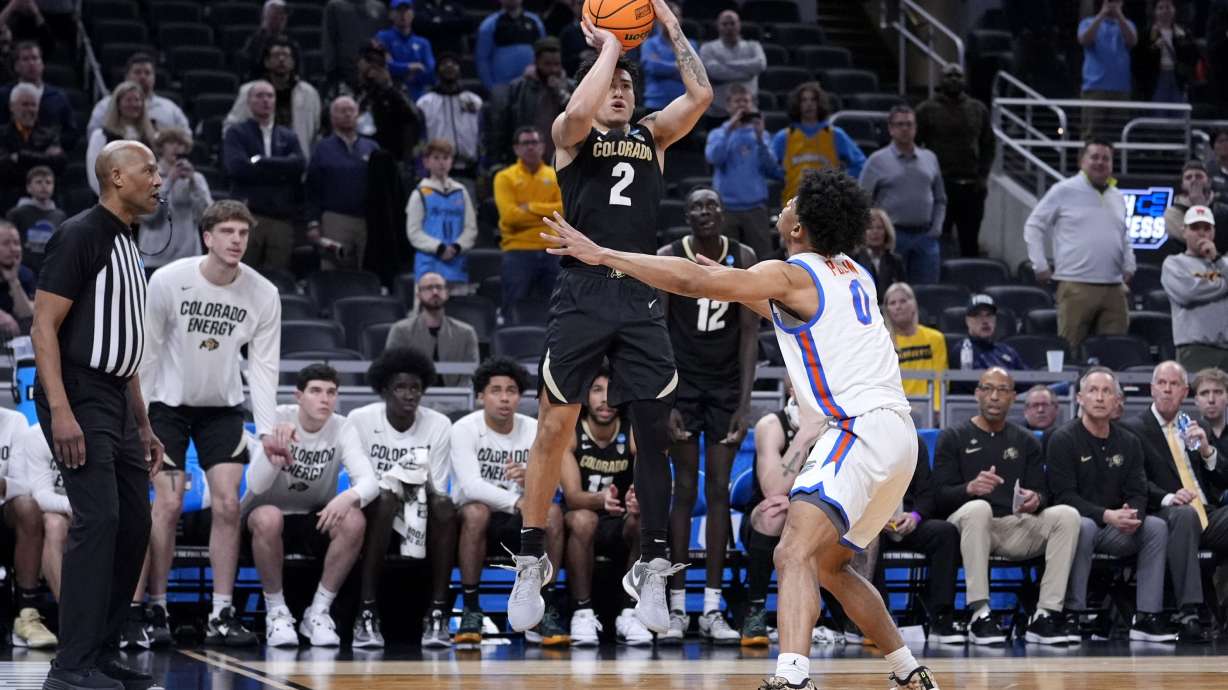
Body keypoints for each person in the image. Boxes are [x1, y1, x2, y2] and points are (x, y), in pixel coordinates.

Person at [540, 168, 941, 689]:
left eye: (792, 202)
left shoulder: (793, 272)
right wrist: (735, 287)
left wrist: (605, 255)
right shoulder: (854, 272)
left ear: (800, 228)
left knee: (791, 551)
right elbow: (787, 313)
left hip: (856, 428)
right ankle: (908, 673)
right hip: (898, 437)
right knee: (831, 567)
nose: (784, 205)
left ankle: (793, 680)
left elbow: (691, 282)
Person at [506, 0, 713, 638]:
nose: (619, 91)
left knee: (655, 431)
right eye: (611, 85)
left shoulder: (653, 136)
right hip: (583, 291)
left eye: (627, 85)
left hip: (641, 288)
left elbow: (700, 93)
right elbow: (574, 111)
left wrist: (672, 27)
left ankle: (652, 562)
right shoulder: (574, 138)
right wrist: (609, 51)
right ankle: (531, 552)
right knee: (553, 426)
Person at [31, 139, 163, 690]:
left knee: (135, 524)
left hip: (116, 397)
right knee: (99, 520)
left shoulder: (129, 241)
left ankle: (101, 651)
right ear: (115, 175)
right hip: (78, 393)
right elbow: (43, 328)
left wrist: (144, 421)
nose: (159, 180)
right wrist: (61, 410)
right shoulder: (81, 233)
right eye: (148, 170)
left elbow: (126, 343)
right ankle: (69, 666)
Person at [138, 199, 285, 648]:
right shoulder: (167, 280)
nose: (237, 241)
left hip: (222, 408)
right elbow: (147, 352)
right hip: (167, 406)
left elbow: (263, 367)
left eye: (243, 233)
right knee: (167, 503)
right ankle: (155, 608)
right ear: (208, 237)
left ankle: (222, 612)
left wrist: (266, 429)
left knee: (226, 505)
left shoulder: (263, 293)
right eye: (228, 232)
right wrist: (140, 418)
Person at [658, 186, 758, 643]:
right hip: (682, 386)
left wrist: (743, 402)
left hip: (724, 389)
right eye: (695, 205)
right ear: (686, 216)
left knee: (718, 490)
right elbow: (658, 330)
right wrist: (667, 399)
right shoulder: (668, 255)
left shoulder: (745, 255)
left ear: (723, 214)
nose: (704, 212)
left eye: (712, 205)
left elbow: (750, 333)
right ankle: (677, 605)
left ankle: (714, 606)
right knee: (683, 491)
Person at [933, 367, 1080, 645]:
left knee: (1067, 515)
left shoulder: (1026, 441)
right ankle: (980, 613)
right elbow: (938, 496)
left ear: (1013, 397)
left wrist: (1036, 500)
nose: (994, 396)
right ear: (977, 394)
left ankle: (1045, 614)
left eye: (1002, 390)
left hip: (1014, 525)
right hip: (967, 526)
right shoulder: (953, 437)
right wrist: (969, 488)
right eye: (988, 388)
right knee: (979, 508)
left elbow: (1043, 492)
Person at [242, 364, 378, 647]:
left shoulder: (342, 426)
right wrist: (273, 455)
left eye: (331, 392)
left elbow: (369, 483)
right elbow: (255, 485)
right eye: (316, 391)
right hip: (261, 518)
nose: (324, 399)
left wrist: (346, 497)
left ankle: (317, 612)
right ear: (298, 396)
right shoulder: (277, 418)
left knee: (354, 520)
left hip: (310, 516)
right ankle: (277, 613)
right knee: (269, 517)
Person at [1047, 367, 1177, 643]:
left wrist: (1132, 515)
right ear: (1080, 398)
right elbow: (1063, 496)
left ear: (1117, 401)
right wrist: (1107, 515)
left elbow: (1139, 490)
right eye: (1093, 391)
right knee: (1079, 525)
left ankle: (1146, 616)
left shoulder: (1129, 442)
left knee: (1154, 526)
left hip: (1117, 529)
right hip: (1081, 526)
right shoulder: (1063, 439)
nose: (1100, 397)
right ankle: (1072, 613)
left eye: (1107, 392)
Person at [448, 358, 568, 646]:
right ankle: (471, 608)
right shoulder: (464, 428)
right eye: (495, 390)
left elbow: (559, 486)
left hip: (523, 524)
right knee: (476, 512)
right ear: (480, 396)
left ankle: (543, 609)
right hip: (476, 523)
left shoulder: (533, 429)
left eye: (511, 390)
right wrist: (517, 500)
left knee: (551, 512)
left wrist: (531, 479)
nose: (504, 398)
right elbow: (470, 486)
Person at [344, 347, 454, 648]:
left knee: (445, 506)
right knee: (385, 496)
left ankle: (437, 613)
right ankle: (366, 612)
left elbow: (439, 487)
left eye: (416, 388)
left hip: (419, 511)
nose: (409, 395)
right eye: (401, 387)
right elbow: (361, 482)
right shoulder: (360, 419)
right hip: (374, 509)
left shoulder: (439, 424)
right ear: (384, 391)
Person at [1122, 361, 1228, 641]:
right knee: (1183, 514)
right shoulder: (1133, 429)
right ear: (1152, 389)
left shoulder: (1195, 424)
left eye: (1174, 385)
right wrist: (1169, 496)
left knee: (1197, 513)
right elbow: (1136, 481)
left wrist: (1207, 451)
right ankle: (1189, 612)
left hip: (1207, 512)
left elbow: (1222, 481)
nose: (1167, 389)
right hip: (1164, 511)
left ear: (1184, 392)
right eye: (1162, 384)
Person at [559, 368, 647, 645]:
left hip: (619, 520)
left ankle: (630, 613)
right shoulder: (571, 432)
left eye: (611, 391)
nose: (605, 399)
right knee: (584, 519)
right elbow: (572, 497)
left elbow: (651, 469)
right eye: (597, 390)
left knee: (643, 520)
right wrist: (600, 500)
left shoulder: (631, 429)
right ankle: (582, 612)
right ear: (585, 395)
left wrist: (638, 496)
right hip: (579, 521)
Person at [1023, 140, 1135, 351]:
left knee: (1116, 353)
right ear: (1081, 161)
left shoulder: (1118, 196)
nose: (1100, 162)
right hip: (1075, 285)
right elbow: (1034, 225)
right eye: (1094, 157)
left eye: (1106, 158)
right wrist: (1039, 265)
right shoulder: (1063, 190)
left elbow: (1123, 234)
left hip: (1114, 288)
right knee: (1071, 351)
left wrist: (1130, 265)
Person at [740, 390, 824, 647]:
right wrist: (804, 436)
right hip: (766, 516)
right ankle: (755, 612)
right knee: (774, 514)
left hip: (815, 510)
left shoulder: (836, 426)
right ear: (792, 391)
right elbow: (774, 490)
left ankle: (849, 619)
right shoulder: (772, 425)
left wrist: (800, 503)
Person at [879, 437, 964, 644]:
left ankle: (941, 618)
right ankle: (878, 620)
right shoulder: (859, 440)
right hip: (872, 523)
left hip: (908, 520)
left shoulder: (914, 442)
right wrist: (873, 519)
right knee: (866, 541)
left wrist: (915, 516)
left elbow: (927, 493)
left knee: (945, 532)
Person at [221, 80, 306, 273]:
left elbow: (299, 166)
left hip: (281, 218)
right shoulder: (236, 132)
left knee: (276, 278)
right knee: (241, 273)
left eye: (270, 96)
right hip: (248, 216)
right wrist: (281, 169)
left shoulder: (288, 135)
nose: (265, 100)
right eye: (259, 96)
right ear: (249, 101)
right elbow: (237, 168)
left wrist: (260, 161)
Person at [859, 105, 947, 286]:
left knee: (927, 292)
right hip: (892, 237)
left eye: (909, 124)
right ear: (891, 129)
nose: (905, 129)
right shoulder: (877, 160)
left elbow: (940, 199)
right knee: (892, 292)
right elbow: (861, 202)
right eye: (900, 124)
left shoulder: (930, 158)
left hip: (926, 236)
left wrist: (936, 228)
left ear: (915, 128)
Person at [915, 64, 994, 258]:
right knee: (938, 238)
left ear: (964, 80)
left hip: (971, 186)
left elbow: (989, 145)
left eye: (958, 75)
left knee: (970, 240)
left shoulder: (978, 109)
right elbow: (915, 146)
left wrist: (983, 175)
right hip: (940, 185)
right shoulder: (926, 109)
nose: (954, 79)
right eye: (949, 76)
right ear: (941, 80)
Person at [0, 409, 58, 649]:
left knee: (28, 507)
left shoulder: (14, 421)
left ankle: (27, 614)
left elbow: (25, 485)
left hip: (3, 512)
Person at [493, 125, 564, 317]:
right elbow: (509, 217)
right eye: (525, 143)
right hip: (518, 249)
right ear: (516, 148)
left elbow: (564, 210)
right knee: (512, 308)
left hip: (552, 249)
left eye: (535, 142)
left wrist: (530, 207)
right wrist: (547, 214)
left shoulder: (556, 174)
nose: (530, 147)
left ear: (543, 146)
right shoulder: (504, 177)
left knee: (558, 309)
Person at [705, 85, 782, 260]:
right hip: (726, 208)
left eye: (746, 101)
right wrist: (729, 129)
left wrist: (761, 137)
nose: (742, 106)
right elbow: (714, 158)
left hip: (755, 208)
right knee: (726, 259)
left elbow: (772, 168)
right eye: (737, 101)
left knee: (764, 259)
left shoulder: (761, 135)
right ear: (728, 106)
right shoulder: (718, 133)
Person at [305, 96, 379, 271]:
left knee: (367, 271)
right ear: (332, 117)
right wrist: (313, 222)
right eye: (341, 110)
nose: (347, 114)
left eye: (351, 110)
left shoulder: (372, 147)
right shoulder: (321, 148)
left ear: (358, 115)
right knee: (333, 270)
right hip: (334, 219)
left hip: (367, 221)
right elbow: (311, 188)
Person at [225, 37, 323, 161]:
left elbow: (315, 130)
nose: (281, 59)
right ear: (266, 61)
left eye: (286, 56)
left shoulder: (309, 93)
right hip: (257, 161)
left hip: (297, 160)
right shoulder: (250, 90)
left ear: (293, 62)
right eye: (276, 55)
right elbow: (232, 126)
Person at [771, 82, 865, 208]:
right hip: (793, 205)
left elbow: (861, 163)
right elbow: (768, 166)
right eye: (804, 100)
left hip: (828, 205)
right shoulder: (784, 136)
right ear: (798, 105)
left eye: (813, 100)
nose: (809, 104)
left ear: (819, 103)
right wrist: (783, 176)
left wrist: (840, 182)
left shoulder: (835, 134)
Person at [1162, 205, 1228, 373]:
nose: (1201, 233)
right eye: (1195, 228)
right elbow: (1187, 293)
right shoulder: (1174, 264)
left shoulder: (1223, 262)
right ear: (1184, 231)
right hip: (1195, 350)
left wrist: (1217, 259)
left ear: (1213, 232)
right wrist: (1223, 284)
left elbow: (1196, 289)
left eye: (1206, 228)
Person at [486, 37, 571, 168]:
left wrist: (561, 93)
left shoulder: (571, 87)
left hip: (561, 158)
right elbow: (504, 124)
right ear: (536, 62)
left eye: (557, 64)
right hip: (525, 157)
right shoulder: (518, 88)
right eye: (547, 64)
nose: (553, 69)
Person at [385, 271, 479, 387]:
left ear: (447, 293)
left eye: (439, 287)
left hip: (457, 401)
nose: (435, 292)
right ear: (418, 295)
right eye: (429, 288)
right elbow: (392, 371)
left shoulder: (466, 333)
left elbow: (470, 376)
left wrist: (458, 401)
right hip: (412, 399)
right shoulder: (400, 331)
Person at [137, 128, 212, 270]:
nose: (177, 147)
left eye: (181, 144)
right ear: (161, 147)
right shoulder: (147, 177)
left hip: (188, 259)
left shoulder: (197, 179)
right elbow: (148, 216)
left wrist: (194, 184)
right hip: (155, 259)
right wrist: (169, 182)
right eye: (171, 142)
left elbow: (208, 217)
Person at [407, 138, 477, 283]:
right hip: (429, 265)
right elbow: (414, 232)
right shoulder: (419, 193)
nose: (441, 162)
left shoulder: (460, 191)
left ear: (451, 161)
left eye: (445, 158)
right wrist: (438, 248)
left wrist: (457, 247)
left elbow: (471, 228)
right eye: (436, 158)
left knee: (458, 305)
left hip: (457, 263)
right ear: (426, 162)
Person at [85, 53, 189, 138]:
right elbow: (93, 135)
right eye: (137, 72)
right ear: (126, 76)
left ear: (154, 77)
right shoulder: (105, 105)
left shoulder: (170, 108)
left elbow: (186, 136)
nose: (143, 77)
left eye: (147, 73)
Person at [353, 41, 425, 163]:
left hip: (392, 158)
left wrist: (387, 87)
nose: (373, 65)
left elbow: (414, 119)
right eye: (369, 59)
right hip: (359, 159)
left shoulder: (396, 91)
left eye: (378, 60)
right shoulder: (352, 91)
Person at [883, 282, 947, 416]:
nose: (898, 307)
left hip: (930, 410)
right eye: (892, 303)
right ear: (887, 310)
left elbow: (940, 378)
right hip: (897, 410)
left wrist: (936, 408)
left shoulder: (936, 338)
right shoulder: (884, 343)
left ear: (914, 305)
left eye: (903, 301)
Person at [1077, 0, 1138, 139]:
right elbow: (1084, 40)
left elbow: (1132, 41)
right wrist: (1102, 14)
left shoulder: (1128, 24)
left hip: (1120, 89)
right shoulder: (1087, 22)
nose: (1112, 4)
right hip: (1094, 87)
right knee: (1090, 133)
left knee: (1118, 134)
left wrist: (1119, 16)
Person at [0, 41, 76, 151]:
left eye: (35, 58)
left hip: (48, 157)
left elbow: (71, 132)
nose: (31, 63)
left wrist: (55, 145)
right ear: (16, 66)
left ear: (42, 64)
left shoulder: (57, 97)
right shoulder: (4, 95)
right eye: (25, 59)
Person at [0, 82, 63, 211]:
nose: (29, 109)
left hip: (45, 206)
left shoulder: (50, 134)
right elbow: (3, 167)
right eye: (24, 104)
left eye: (33, 105)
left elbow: (59, 163)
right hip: (7, 202)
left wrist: (20, 157)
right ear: (12, 107)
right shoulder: (2, 134)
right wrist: (42, 158)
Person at [85, 80, 156, 196]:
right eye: (128, 100)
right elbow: (95, 174)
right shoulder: (101, 136)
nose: (133, 104)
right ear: (117, 104)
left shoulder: (150, 137)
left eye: (137, 100)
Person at [416, 53, 482, 177]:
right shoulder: (424, 103)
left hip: (468, 169)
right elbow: (419, 139)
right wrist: (421, 169)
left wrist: (481, 167)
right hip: (435, 170)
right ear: (437, 71)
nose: (449, 66)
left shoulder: (474, 101)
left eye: (453, 63)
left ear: (460, 70)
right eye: (444, 64)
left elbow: (481, 136)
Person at [699, 9, 766, 119]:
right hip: (717, 112)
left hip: (749, 110)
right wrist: (748, 73)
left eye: (732, 23)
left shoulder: (753, 46)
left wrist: (726, 64)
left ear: (739, 25)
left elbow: (760, 65)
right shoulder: (707, 48)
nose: (729, 27)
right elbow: (714, 72)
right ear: (718, 26)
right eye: (725, 24)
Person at [1136, 0, 1198, 103]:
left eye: (1168, 7)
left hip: (1177, 78)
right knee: (1158, 114)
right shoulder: (1147, 33)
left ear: (1174, 10)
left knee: (1179, 112)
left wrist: (1182, 44)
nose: (1165, 11)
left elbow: (1193, 56)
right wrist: (1154, 47)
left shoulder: (1183, 32)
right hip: (1157, 79)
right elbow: (1139, 60)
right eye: (1161, 8)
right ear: (1155, 11)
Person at [475, 0, 545, 91]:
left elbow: (543, 52)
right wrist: (490, 86)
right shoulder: (489, 24)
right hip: (502, 85)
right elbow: (482, 58)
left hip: (532, 84)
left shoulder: (535, 22)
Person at [6, 164, 64, 272]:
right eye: (38, 182)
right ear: (28, 187)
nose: (44, 186)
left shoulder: (60, 216)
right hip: (23, 269)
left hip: (49, 271)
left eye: (48, 182)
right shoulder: (17, 213)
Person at [1163, 160, 1228, 256]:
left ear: (1209, 182)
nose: (1194, 180)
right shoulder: (1171, 213)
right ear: (1182, 185)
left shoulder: (1224, 210)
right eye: (1188, 177)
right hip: (1184, 266)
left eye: (1199, 176)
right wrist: (1198, 204)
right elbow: (1198, 243)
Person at [375, 0, 436, 101]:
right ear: (391, 14)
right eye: (399, 11)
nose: (403, 14)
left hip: (418, 98)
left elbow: (430, 72)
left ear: (412, 14)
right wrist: (410, 67)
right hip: (391, 97)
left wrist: (402, 72)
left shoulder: (423, 43)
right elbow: (385, 66)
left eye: (406, 10)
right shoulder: (382, 37)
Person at [640, 2, 694, 110]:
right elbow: (652, 67)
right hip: (656, 102)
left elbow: (693, 72)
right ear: (658, 19)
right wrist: (679, 66)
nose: (672, 20)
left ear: (681, 19)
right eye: (667, 16)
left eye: (676, 16)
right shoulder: (649, 44)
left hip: (685, 104)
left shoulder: (690, 45)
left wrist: (663, 67)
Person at [322, 0, 387, 89]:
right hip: (345, 74)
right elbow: (329, 40)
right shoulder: (334, 6)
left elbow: (383, 42)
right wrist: (331, 70)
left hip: (373, 74)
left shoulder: (379, 8)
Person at [956, 294, 1029, 370]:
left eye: (989, 315)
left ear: (995, 320)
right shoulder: (963, 351)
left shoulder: (1008, 352)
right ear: (967, 321)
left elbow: (1029, 378)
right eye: (978, 316)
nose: (985, 321)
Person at [850, 208, 905, 302]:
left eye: (879, 228)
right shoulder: (853, 261)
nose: (875, 232)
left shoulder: (895, 261)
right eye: (869, 228)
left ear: (886, 232)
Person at [238, 0, 299, 82]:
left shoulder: (291, 43)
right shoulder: (254, 41)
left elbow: (297, 71)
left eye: (283, 15)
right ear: (266, 16)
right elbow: (249, 69)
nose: (282, 18)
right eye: (277, 14)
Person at [0, 220, 32, 336]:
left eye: (16, 243)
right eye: (6, 243)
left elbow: (26, 315)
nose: (13, 248)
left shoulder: (25, 274)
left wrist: (13, 280)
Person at [1210, 129, 1228, 199]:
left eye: (1227, 140)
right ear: (1213, 146)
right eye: (1221, 141)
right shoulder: (1207, 170)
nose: (1225, 144)